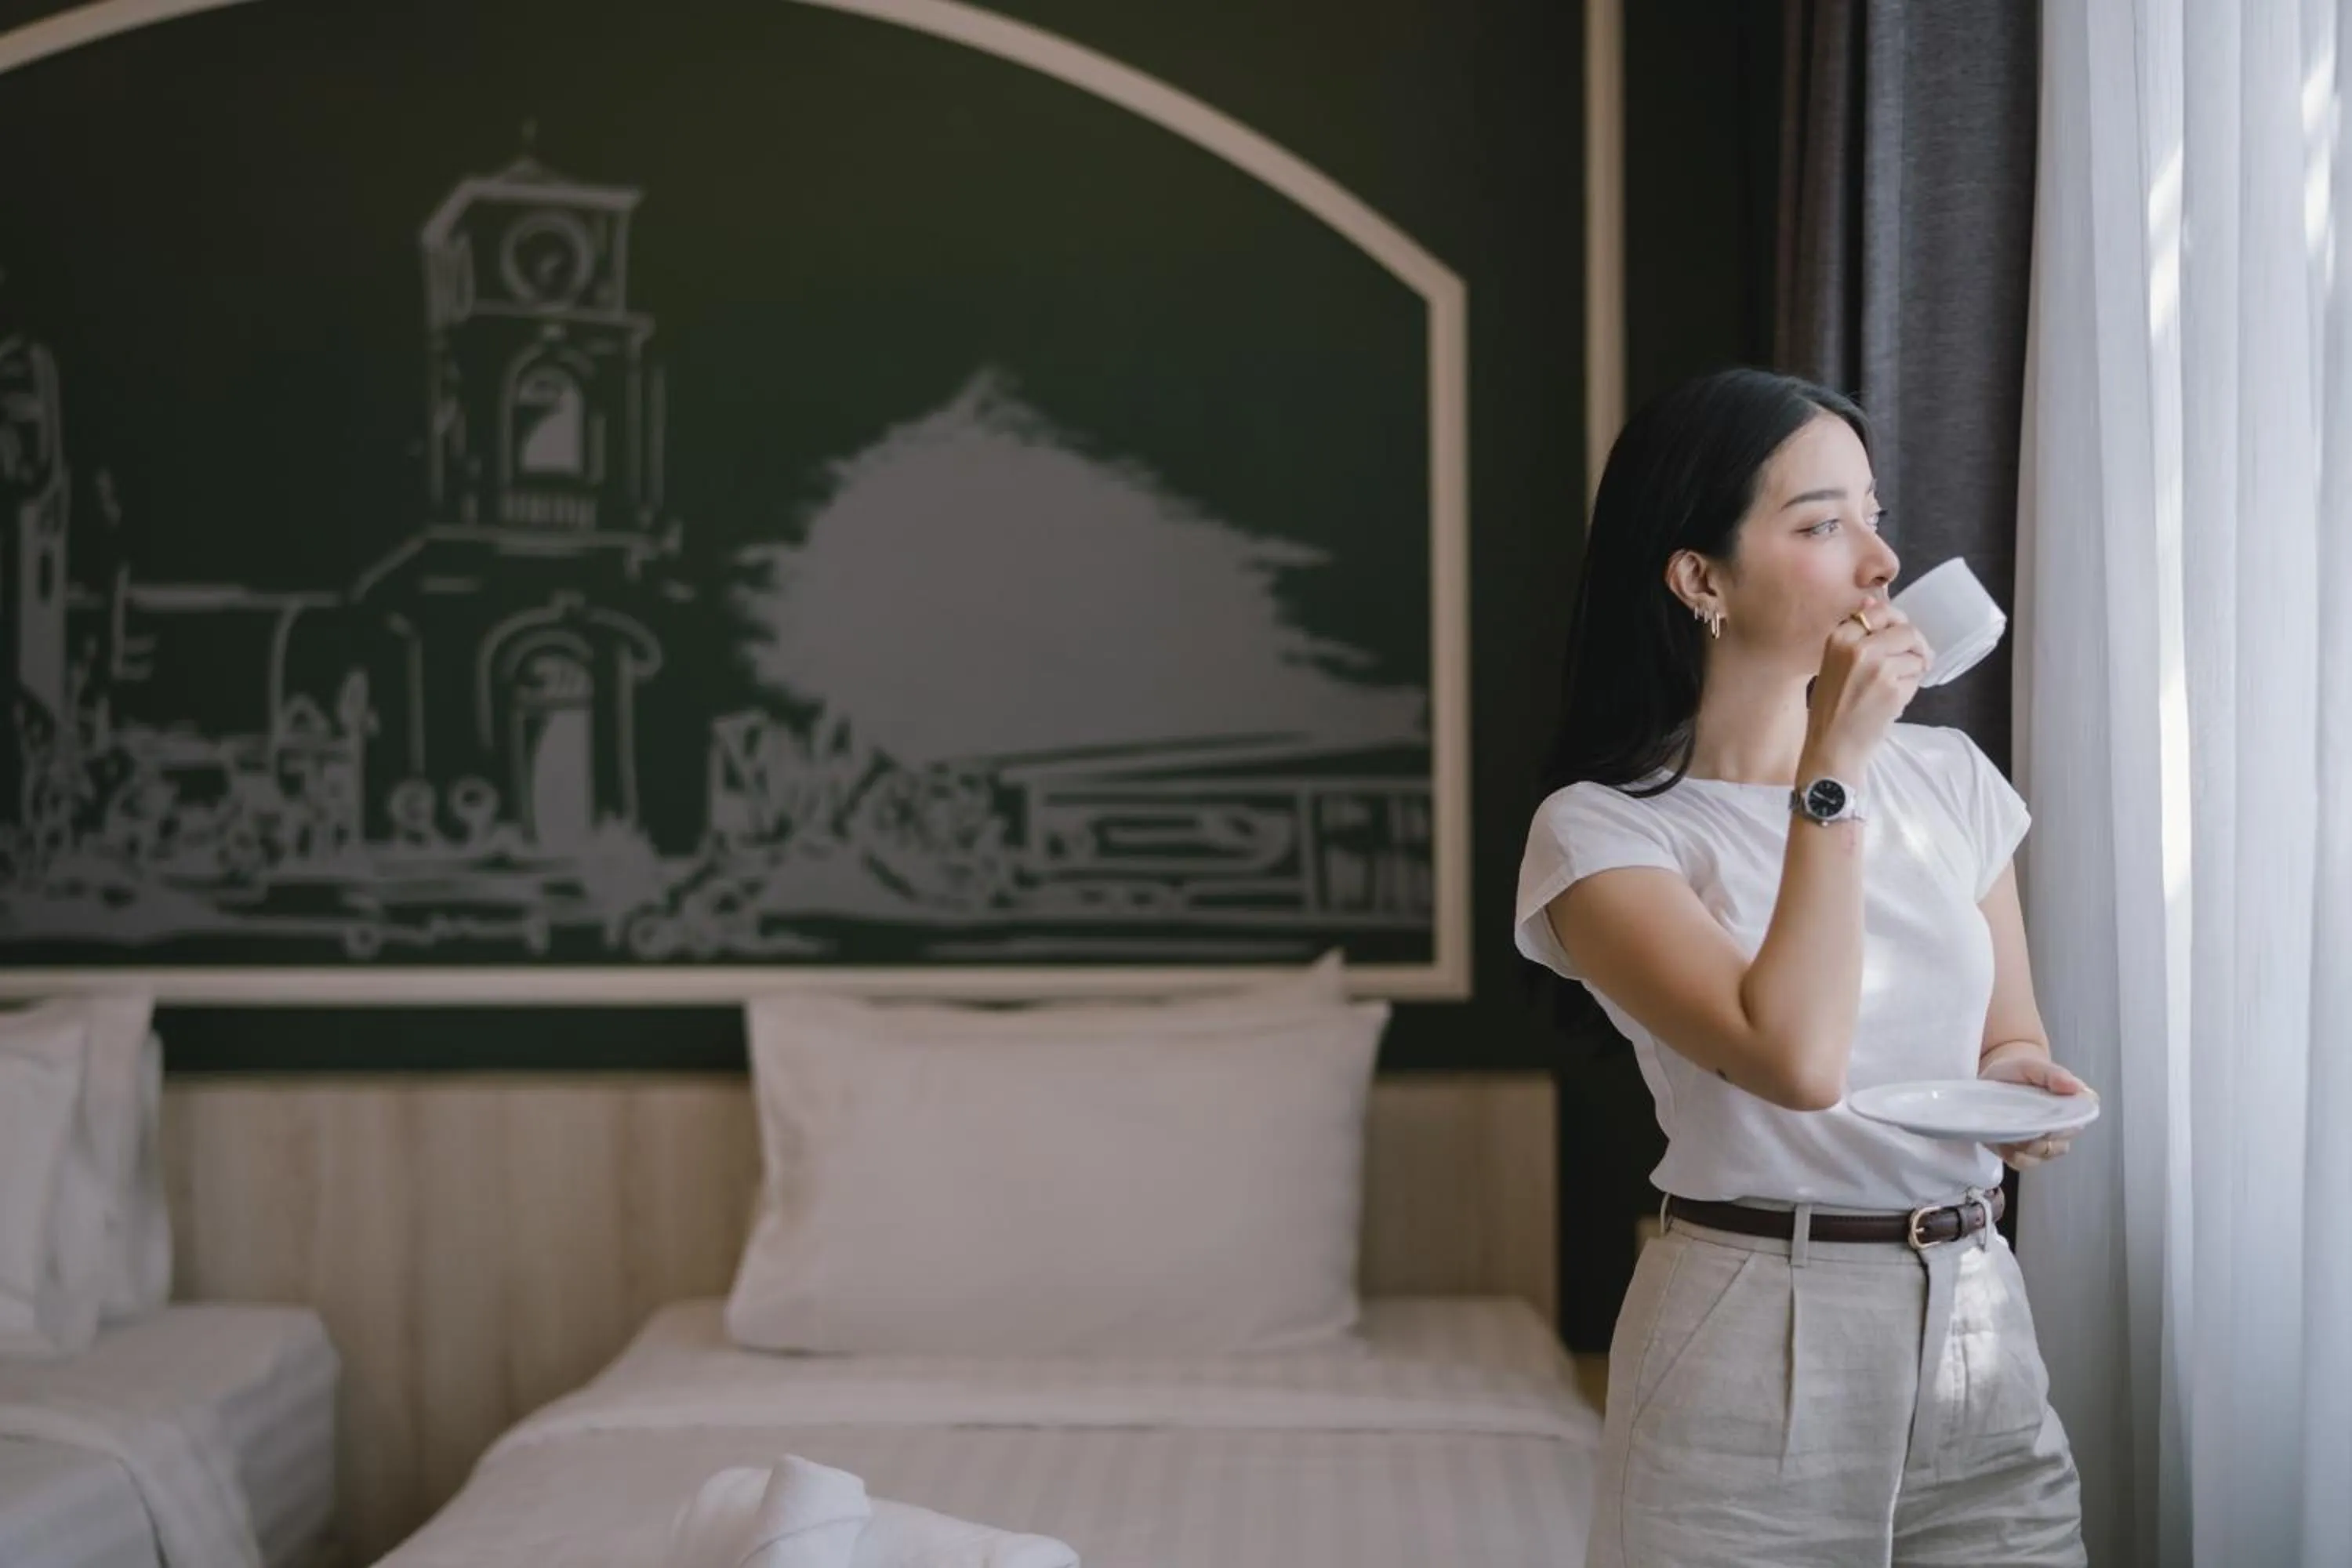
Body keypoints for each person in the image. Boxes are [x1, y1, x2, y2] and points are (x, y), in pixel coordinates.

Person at [1515, 368, 2090, 1566]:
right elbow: (1794, 1058)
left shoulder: (1948, 777)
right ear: (1700, 579)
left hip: (1977, 1317)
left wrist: (2024, 1084)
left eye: (1875, 517)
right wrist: (1831, 763)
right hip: (1751, 1335)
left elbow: (2006, 1036)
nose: (1880, 563)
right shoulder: (1605, 834)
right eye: (1825, 525)